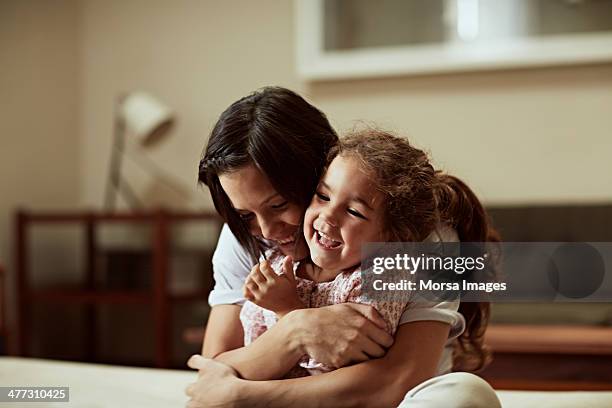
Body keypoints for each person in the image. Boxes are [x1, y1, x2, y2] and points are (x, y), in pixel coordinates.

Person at [187, 86, 501, 407]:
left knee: (466, 395)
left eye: (279, 204)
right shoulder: (246, 234)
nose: (266, 230)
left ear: (321, 172)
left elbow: (397, 378)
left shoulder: (420, 236)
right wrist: (296, 329)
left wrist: (247, 395)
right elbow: (214, 372)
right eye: (244, 213)